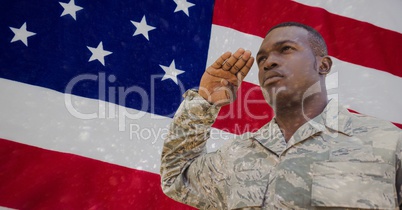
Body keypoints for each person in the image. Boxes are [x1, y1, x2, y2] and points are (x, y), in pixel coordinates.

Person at [160, 22, 402, 209]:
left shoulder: (387, 144)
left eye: (285, 49)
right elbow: (176, 176)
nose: (268, 63)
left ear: (324, 65)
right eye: (262, 59)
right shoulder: (236, 156)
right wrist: (204, 102)